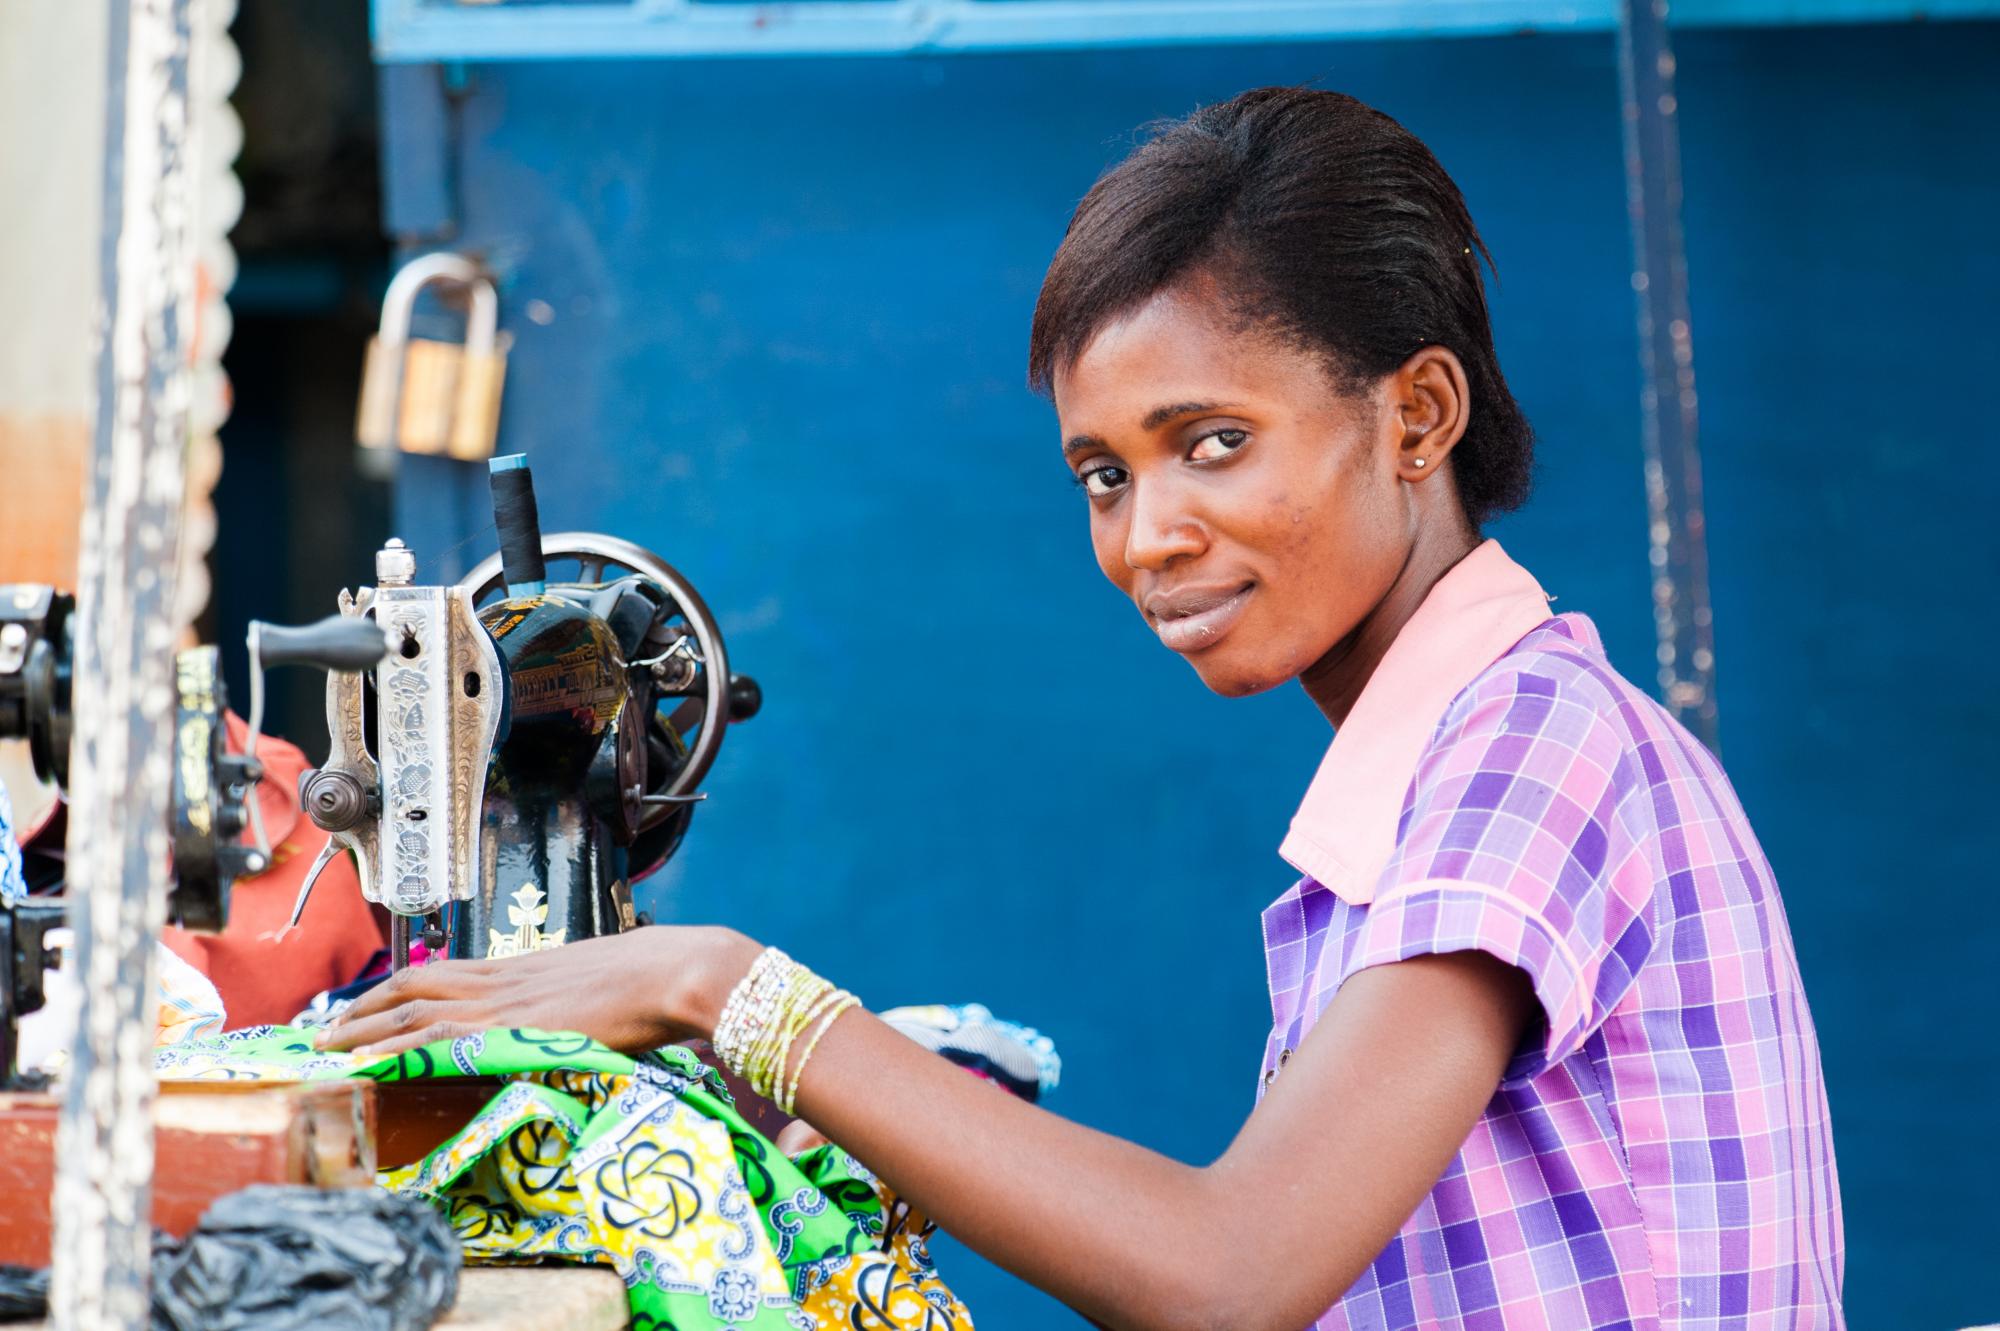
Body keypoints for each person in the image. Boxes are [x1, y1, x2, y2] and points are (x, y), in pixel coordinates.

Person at [322, 88, 1843, 1329]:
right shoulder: (1471, 755)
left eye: (1216, 442)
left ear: (1417, 417)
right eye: (1106, 474)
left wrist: (731, 991)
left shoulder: (1535, 758)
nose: (1147, 536)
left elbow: (1229, 1271)